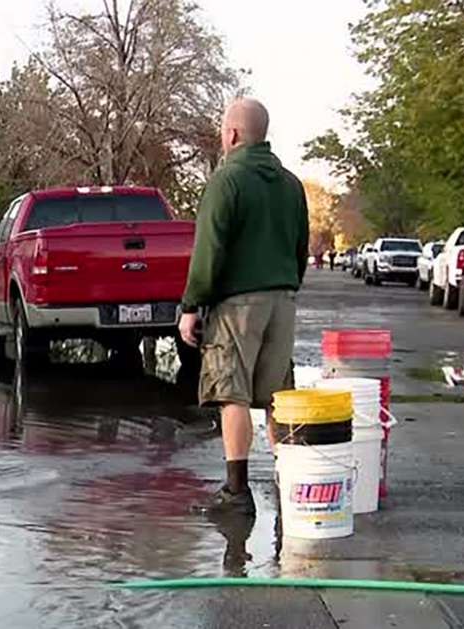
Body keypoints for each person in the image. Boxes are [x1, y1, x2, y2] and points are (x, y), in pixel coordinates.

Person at [178, 97, 309, 516]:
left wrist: (191, 305)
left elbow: (209, 249)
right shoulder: (291, 184)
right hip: (283, 299)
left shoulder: (226, 179)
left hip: (239, 304)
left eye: (223, 129)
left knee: (230, 392)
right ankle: (289, 483)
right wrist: (287, 286)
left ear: (232, 134)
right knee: (276, 397)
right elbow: (301, 248)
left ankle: (236, 492)